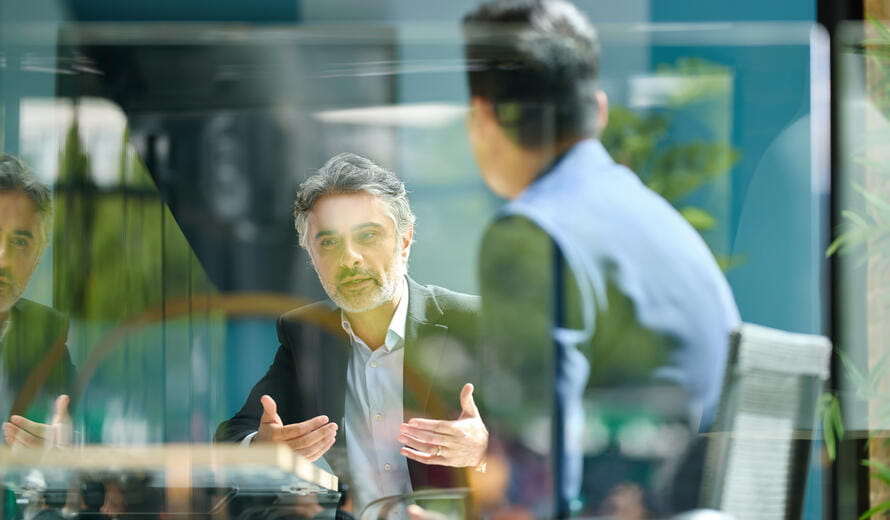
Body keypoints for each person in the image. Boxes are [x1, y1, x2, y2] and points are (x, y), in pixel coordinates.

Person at [462, 1, 740, 517]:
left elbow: (536, 482)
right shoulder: (666, 226)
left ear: (482, 117)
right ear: (600, 109)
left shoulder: (530, 232)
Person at [215, 153, 486, 516]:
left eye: (368, 235)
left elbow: (553, 438)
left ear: (404, 241)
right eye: (328, 243)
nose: (350, 258)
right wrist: (263, 447)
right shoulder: (306, 334)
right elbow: (235, 435)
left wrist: (483, 448)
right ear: (310, 255)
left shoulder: (472, 322)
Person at [0, 154, 74, 448]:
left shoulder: (48, 341)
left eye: (19, 242)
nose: (2, 258)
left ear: (38, 256)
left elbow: (80, 439)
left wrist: (63, 447)